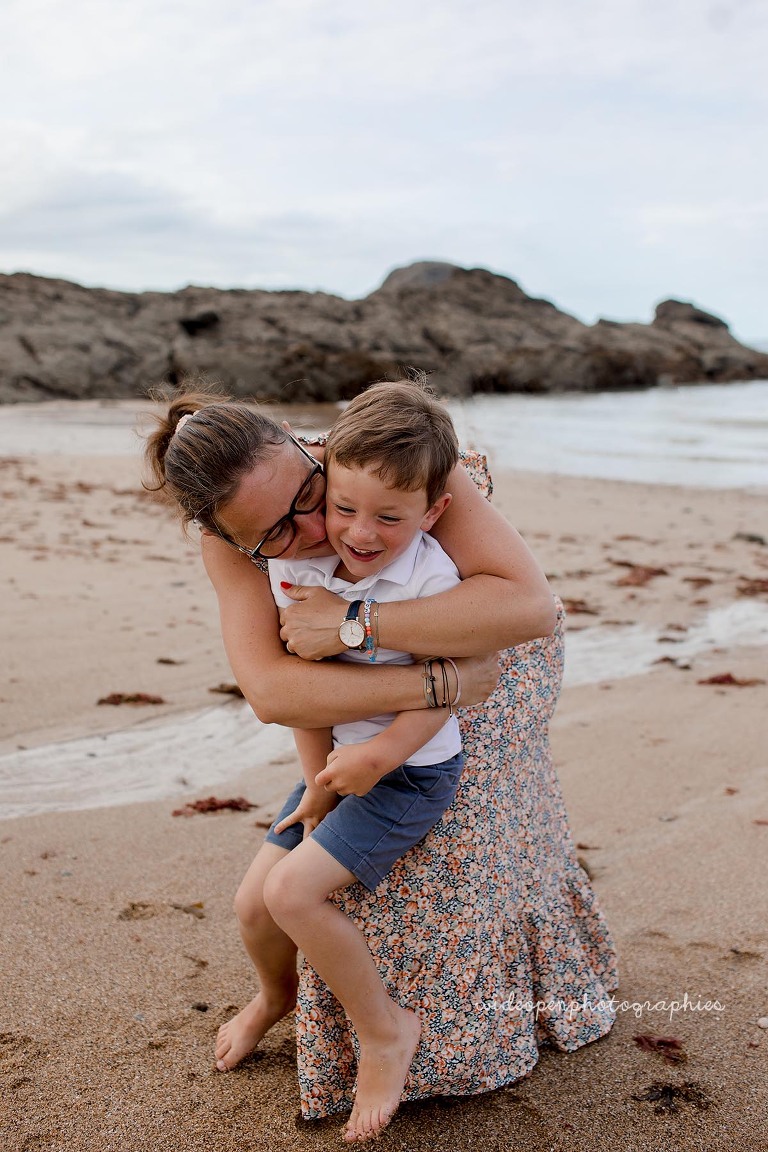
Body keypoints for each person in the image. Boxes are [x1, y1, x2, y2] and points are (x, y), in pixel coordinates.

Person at [144, 379, 618, 1143]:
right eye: (273, 534)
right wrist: (429, 683)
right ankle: (280, 995)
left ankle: (407, 1028)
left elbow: (526, 612)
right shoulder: (248, 541)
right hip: (375, 705)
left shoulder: (383, 455)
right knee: (261, 901)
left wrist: (363, 631)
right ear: (231, 538)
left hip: (474, 659)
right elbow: (273, 689)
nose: (314, 530)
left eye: (308, 495)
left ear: (307, 447)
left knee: (409, 885)